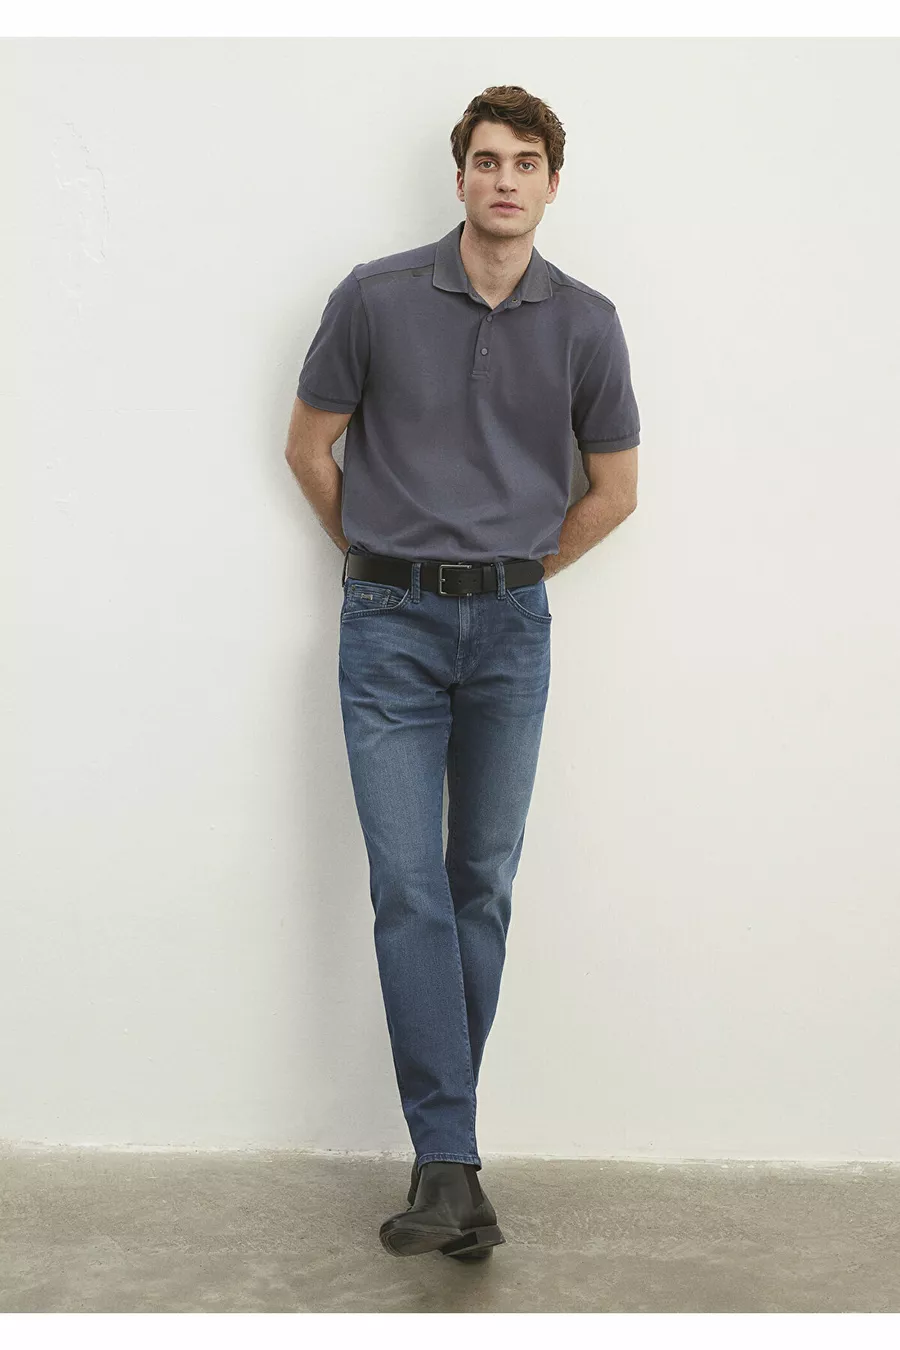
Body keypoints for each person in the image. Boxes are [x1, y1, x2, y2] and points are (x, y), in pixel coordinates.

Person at [285, 85, 640, 1261]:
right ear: (460, 178)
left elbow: (616, 490)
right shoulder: (375, 297)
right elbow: (309, 444)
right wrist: (376, 559)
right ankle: (451, 1163)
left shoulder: (586, 322)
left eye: (525, 163)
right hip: (387, 625)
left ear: (551, 184)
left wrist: (517, 572)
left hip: (512, 630)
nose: (504, 179)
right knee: (409, 886)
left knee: (479, 880)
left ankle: (448, 1166)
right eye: (487, 160)